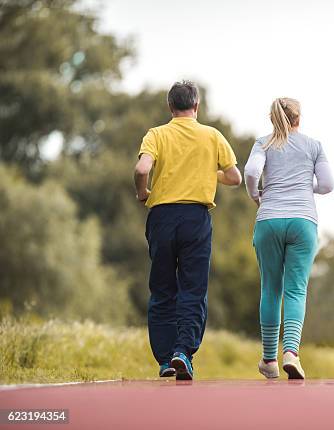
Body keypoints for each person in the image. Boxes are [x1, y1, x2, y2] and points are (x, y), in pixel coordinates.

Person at [133, 80, 241, 380]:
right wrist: (209, 172)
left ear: (170, 106)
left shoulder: (157, 134)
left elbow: (142, 169)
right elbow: (235, 177)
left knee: (163, 289)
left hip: (162, 217)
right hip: (196, 217)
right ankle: (184, 351)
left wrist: (143, 193)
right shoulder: (212, 135)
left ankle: (165, 359)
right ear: (197, 106)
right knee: (193, 288)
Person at [244, 97, 334, 379]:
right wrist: (307, 187)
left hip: (269, 218)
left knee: (271, 288)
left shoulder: (263, 143)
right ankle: (291, 353)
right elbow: (329, 184)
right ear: (299, 118)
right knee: (296, 289)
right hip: (303, 221)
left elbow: (251, 172)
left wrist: (256, 195)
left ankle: (269, 360)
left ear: (273, 119)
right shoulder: (313, 145)